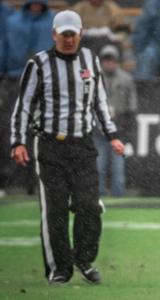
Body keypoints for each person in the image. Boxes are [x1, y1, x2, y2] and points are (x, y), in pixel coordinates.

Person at [9, 10, 124, 284]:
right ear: (54, 35)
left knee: (90, 205)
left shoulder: (89, 60)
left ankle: (83, 259)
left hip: (83, 145)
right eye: (64, 35)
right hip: (50, 146)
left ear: (81, 33)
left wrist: (112, 135)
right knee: (55, 209)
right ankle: (59, 269)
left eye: (73, 34)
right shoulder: (38, 64)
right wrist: (18, 141)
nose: (69, 39)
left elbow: (99, 102)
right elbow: (23, 106)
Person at [94, 44, 137, 197]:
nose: (109, 63)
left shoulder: (126, 79)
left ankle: (118, 198)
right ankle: (98, 196)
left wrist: (127, 132)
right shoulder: (95, 78)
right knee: (99, 166)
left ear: (117, 61)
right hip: (99, 130)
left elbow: (131, 107)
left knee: (118, 169)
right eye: (106, 60)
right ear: (101, 61)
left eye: (111, 60)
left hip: (119, 130)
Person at [2, 0, 54, 78]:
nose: (36, 6)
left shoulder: (53, 21)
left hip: (45, 73)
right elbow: (5, 46)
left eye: (39, 3)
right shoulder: (12, 22)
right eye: (34, 3)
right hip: (15, 74)